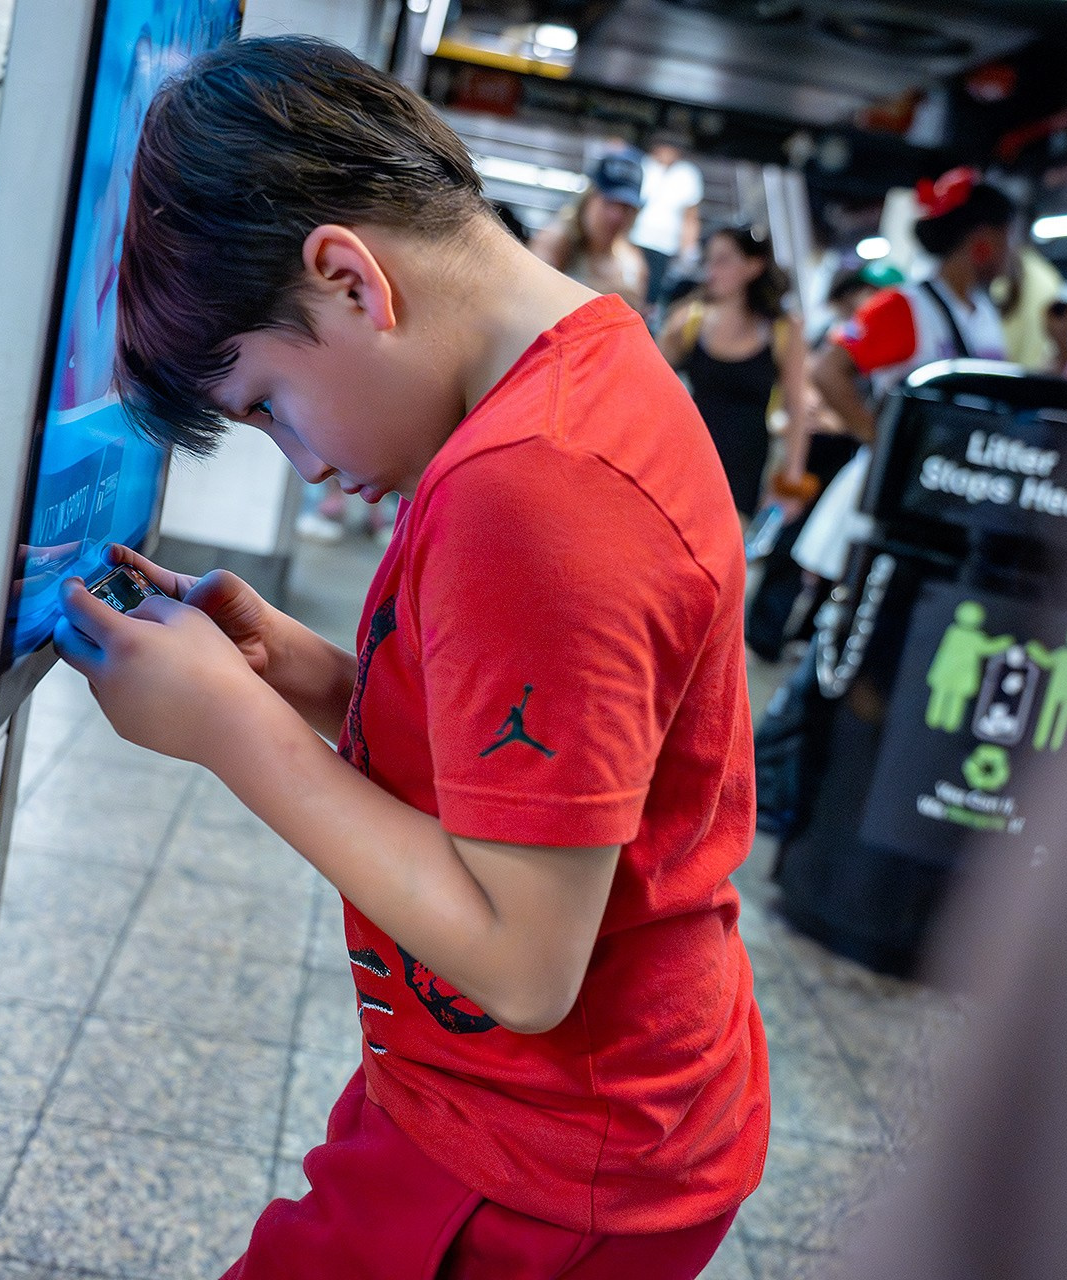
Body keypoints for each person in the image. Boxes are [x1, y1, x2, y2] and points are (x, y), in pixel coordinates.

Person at [68, 36, 767, 1279]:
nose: (308, 464)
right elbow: (554, 765)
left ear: (349, 278)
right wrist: (317, 675)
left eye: (269, 404)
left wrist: (234, 728)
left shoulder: (534, 491)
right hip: (529, 1104)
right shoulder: (576, 375)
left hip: (541, 1157)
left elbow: (523, 956)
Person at [795, 167, 1015, 587]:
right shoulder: (902, 306)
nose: (1011, 253)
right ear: (982, 242)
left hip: (950, 488)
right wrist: (881, 438)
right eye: (1007, 238)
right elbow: (828, 370)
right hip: (896, 489)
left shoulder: (986, 313)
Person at [658, 224, 811, 516]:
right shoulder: (689, 320)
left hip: (743, 474)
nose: (711, 270)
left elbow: (798, 406)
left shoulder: (783, 330)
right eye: (709, 259)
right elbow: (649, 385)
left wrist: (791, 482)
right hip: (682, 463)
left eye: (723, 260)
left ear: (753, 266)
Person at [529, 147, 650, 310]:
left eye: (626, 208)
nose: (616, 217)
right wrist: (606, 295)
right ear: (588, 199)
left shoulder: (632, 265)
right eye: (609, 203)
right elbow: (530, 294)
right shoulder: (557, 240)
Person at [629, 132, 705, 307]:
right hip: (636, 239)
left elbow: (690, 217)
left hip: (664, 246)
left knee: (651, 296)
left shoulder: (688, 174)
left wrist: (689, 251)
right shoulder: (643, 164)